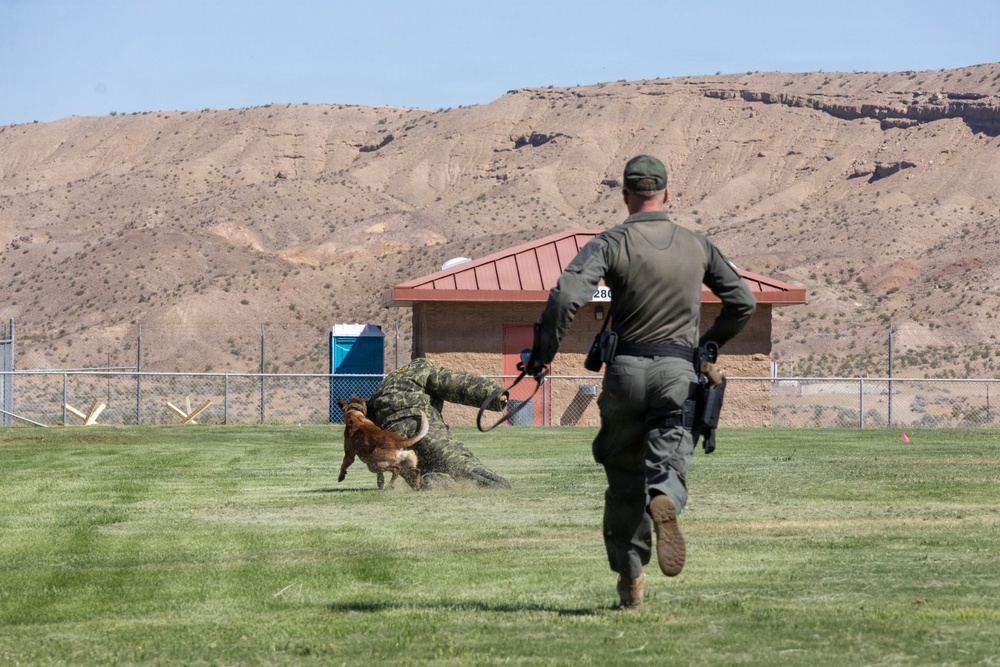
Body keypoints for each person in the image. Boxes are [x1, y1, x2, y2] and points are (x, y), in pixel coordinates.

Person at [525, 154, 756, 609]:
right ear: (666, 194)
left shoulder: (611, 242)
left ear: (626, 196)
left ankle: (631, 586)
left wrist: (542, 355)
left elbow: (566, 295)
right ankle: (665, 494)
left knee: (623, 480)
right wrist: (708, 345)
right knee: (668, 456)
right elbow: (743, 302)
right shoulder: (697, 245)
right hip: (677, 373)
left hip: (625, 373)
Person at [366, 357, 511, 490]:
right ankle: (498, 486)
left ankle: (433, 483)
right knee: (460, 464)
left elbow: (366, 415)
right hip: (421, 427)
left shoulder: (385, 383)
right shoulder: (423, 372)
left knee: (421, 477)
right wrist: (494, 395)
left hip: (393, 442)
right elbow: (456, 383)